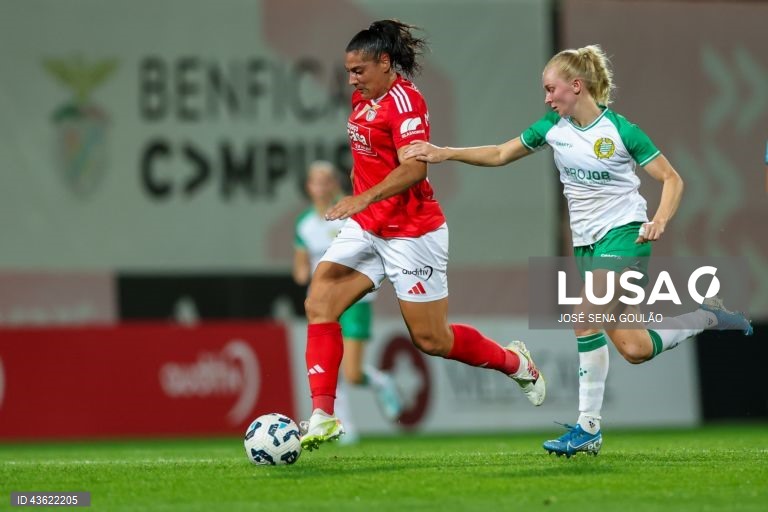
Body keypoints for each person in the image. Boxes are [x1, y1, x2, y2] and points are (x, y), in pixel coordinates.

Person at [403, 44, 753, 457]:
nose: (547, 98)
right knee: (635, 348)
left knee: (584, 318)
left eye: (551, 89)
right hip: (587, 246)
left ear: (576, 86)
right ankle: (707, 315)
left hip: (626, 237)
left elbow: (672, 178)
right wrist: (446, 153)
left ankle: (588, 429)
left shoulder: (622, 131)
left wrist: (658, 220)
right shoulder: (553, 127)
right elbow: (500, 153)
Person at [299, 19, 546, 451]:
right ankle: (323, 415)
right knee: (319, 300)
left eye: (359, 70)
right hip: (369, 227)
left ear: (385, 62)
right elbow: (367, 158)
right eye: (348, 70)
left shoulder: (406, 102)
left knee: (433, 339)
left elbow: (415, 169)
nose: (351, 79)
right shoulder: (362, 100)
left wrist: (361, 199)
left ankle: (515, 362)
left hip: (412, 232)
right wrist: (362, 206)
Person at [293, 160, 403, 443]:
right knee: (331, 369)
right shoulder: (304, 225)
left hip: (356, 298)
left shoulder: (349, 211)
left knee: (352, 373)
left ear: (334, 184)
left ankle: (381, 381)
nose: (321, 186)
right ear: (309, 187)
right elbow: (300, 269)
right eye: (316, 181)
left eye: (326, 180)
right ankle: (343, 426)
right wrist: (306, 271)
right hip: (323, 299)